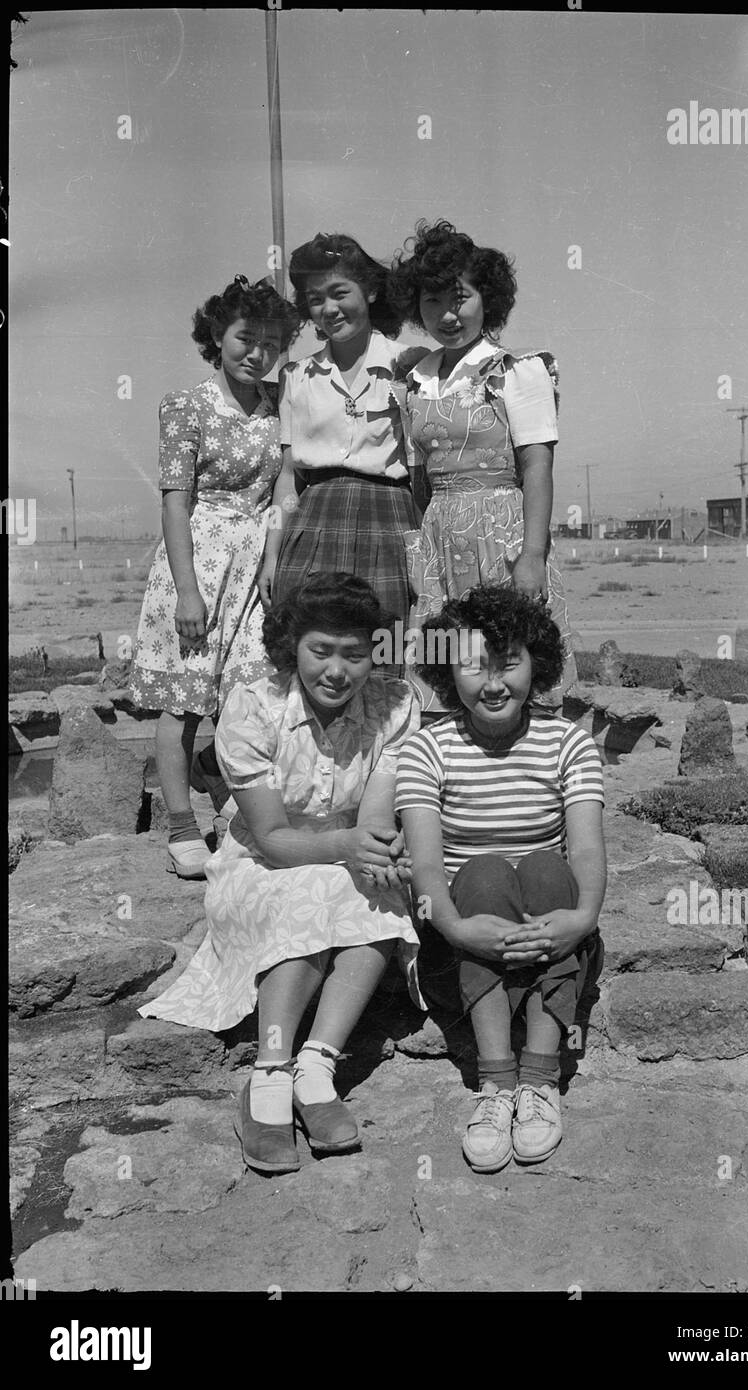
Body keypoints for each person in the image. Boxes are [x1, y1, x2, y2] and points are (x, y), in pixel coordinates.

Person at [139, 573, 424, 1175]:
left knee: (372, 890)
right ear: (293, 645)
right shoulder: (252, 704)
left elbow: (373, 816)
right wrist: (353, 846)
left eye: (355, 654)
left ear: (376, 652)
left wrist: (372, 850)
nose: (337, 671)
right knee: (312, 885)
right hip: (259, 863)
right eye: (321, 651)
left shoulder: (396, 706)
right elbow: (270, 837)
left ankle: (315, 1066)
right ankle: (268, 1071)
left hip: (344, 854)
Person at [396, 586, 606, 1174]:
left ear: (536, 663)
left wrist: (583, 917)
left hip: (548, 913)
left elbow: (586, 847)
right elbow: (429, 869)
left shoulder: (568, 742)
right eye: (474, 666)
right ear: (446, 673)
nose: (493, 684)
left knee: (543, 864)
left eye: (508, 662)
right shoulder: (425, 750)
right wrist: (460, 930)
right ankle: (497, 1084)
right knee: (484, 870)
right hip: (465, 921)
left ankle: (540, 1080)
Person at [128, 276, 300, 878]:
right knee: (184, 702)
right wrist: (187, 590)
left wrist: (274, 553)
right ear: (217, 338)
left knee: (252, 693)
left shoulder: (281, 403)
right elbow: (175, 503)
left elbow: (284, 485)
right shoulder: (186, 406)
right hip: (197, 561)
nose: (257, 354)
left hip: (255, 565)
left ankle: (218, 778)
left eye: (271, 343)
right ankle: (181, 828)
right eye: (245, 339)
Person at [226, 233, 428, 692]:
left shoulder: (410, 365)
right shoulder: (296, 376)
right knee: (310, 654)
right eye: (315, 300)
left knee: (382, 652)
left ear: (370, 292)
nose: (329, 309)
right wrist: (273, 553)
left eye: (340, 294)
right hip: (313, 524)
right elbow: (287, 479)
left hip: (388, 522)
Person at [389, 219, 578, 709]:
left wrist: (531, 555)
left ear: (486, 299)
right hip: (439, 535)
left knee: (509, 659)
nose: (447, 315)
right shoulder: (416, 379)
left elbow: (537, 467)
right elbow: (419, 477)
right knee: (449, 662)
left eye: (460, 298)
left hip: (504, 533)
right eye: (432, 302)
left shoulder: (517, 370)